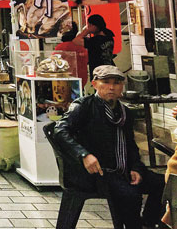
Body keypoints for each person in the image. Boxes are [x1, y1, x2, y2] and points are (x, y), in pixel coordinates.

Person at [54, 65, 165, 228]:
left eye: (117, 83)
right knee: (131, 195)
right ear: (94, 84)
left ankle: (147, 222)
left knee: (163, 183)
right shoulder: (84, 106)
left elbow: (130, 145)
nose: (111, 87)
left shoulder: (125, 112)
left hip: (122, 169)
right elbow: (60, 130)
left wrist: (136, 168)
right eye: (105, 82)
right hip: (98, 173)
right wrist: (84, 155)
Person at [73, 14, 116, 79]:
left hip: (99, 72)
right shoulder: (109, 36)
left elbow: (75, 41)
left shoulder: (95, 40)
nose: (88, 27)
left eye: (90, 25)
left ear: (94, 26)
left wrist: (87, 31)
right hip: (110, 68)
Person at [55, 21, 89, 87]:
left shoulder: (61, 47)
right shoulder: (81, 46)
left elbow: (54, 63)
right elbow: (86, 60)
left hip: (66, 80)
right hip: (81, 79)